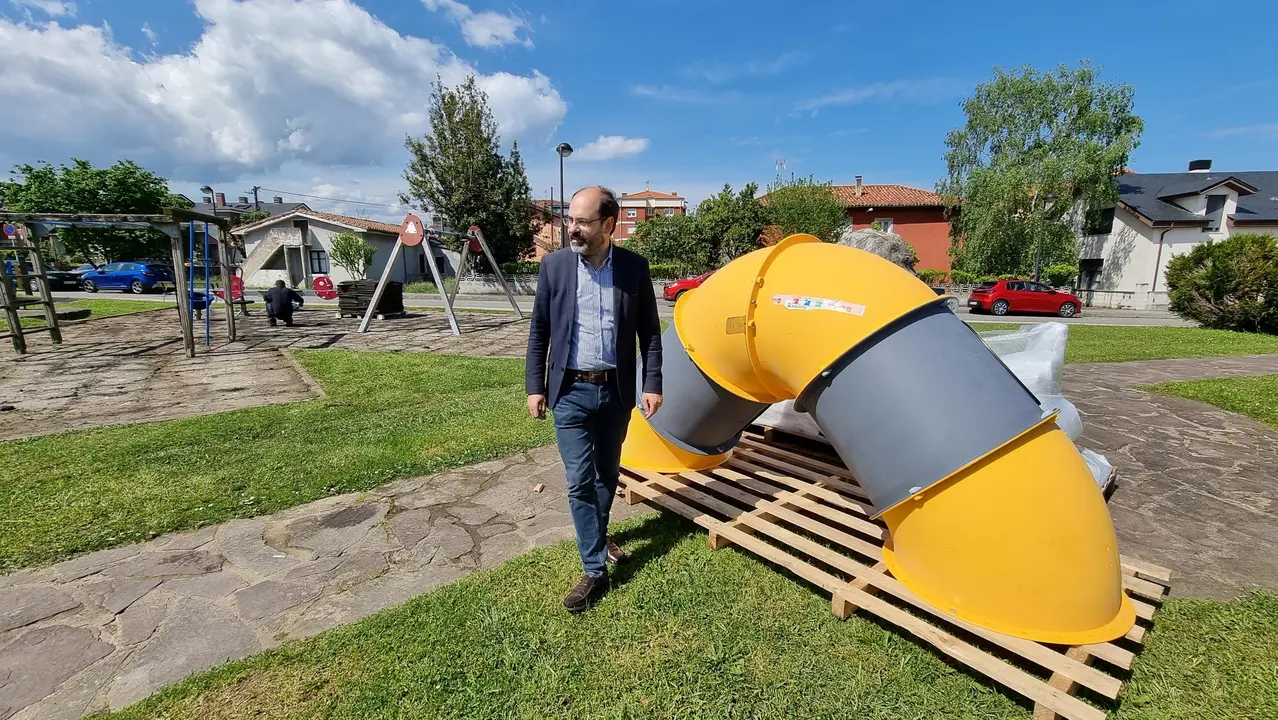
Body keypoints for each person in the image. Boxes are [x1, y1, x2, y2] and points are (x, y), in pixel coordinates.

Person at [525, 185, 663, 614]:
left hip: (617, 391)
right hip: (569, 392)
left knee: (607, 475)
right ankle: (594, 570)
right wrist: (535, 385)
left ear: (609, 224)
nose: (572, 229)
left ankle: (598, 535)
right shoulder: (554, 266)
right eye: (570, 220)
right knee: (580, 480)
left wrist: (652, 382)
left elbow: (650, 334)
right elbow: (539, 332)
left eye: (582, 222)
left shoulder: (634, 268)